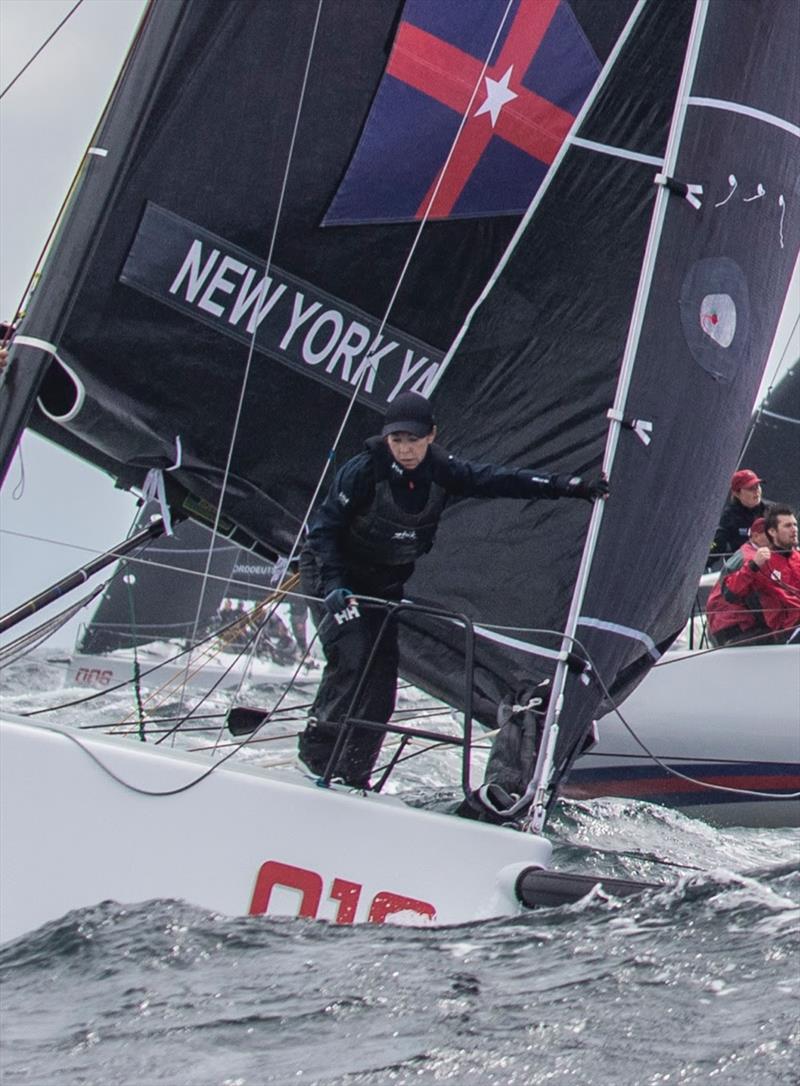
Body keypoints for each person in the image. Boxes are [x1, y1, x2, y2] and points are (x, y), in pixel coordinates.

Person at [297, 390, 609, 787]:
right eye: (397, 441)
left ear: (431, 436)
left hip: (382, 584)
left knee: (381, 688)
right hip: (333, 575)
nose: (405, 450)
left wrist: (570, 487)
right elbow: (323, 531)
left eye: (413, 440)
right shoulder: (363, 472)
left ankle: (352, 773)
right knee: (353, 659)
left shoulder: (443, 471)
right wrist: (334, 585)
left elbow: (500, 481)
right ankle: (316, 760)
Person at [720, 504, 800, 642]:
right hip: (786, 631)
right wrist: (752, 566)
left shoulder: (798, 558)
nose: (794, 530)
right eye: (787, 526)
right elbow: (730, 594)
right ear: (772, 532)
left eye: (795, 525)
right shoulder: (761, 562)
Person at [706, 517, 770, 646]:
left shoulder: (745, 552)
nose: (774, 538)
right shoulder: (752, 559)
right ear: (756, 536)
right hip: (735, 625)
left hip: (723, 624)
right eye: (770, 534)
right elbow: (755, 600)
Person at [707, 469, 769, 570]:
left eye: (757, 486)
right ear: (736, 493)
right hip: (741, 568)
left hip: (770, 566)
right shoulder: (729, 516)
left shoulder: (771, 511)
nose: (756, 491)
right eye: (750, 488)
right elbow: (717, 545)